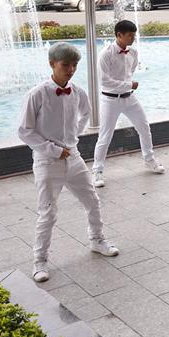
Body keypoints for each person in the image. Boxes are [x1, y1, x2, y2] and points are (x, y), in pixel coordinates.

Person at [19, 43, 119, 283]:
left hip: (73, 157)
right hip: (46, 161)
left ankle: (97, 240)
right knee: (47, 212)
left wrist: (73, 137)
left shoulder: (78, 92)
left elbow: (86, 113)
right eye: (66, 65)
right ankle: (39, 261)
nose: (71, 69)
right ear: (52, 64)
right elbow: (24, 131)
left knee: (92, 200)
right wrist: (53, 149)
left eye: (74, 65)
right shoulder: (37, 94)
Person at [92, 20, 164, 188]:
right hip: (110, 100)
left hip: (130, 98)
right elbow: (104, 81)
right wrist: (128, 85)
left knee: (144, 127)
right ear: (119, 35)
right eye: (130, 35)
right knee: (105, 136)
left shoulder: (133, 53)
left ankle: (149, 159)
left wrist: (128, 86)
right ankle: (97, 170)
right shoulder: (106, 54)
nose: (133, 38)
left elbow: (129, 72)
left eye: (134, 35)